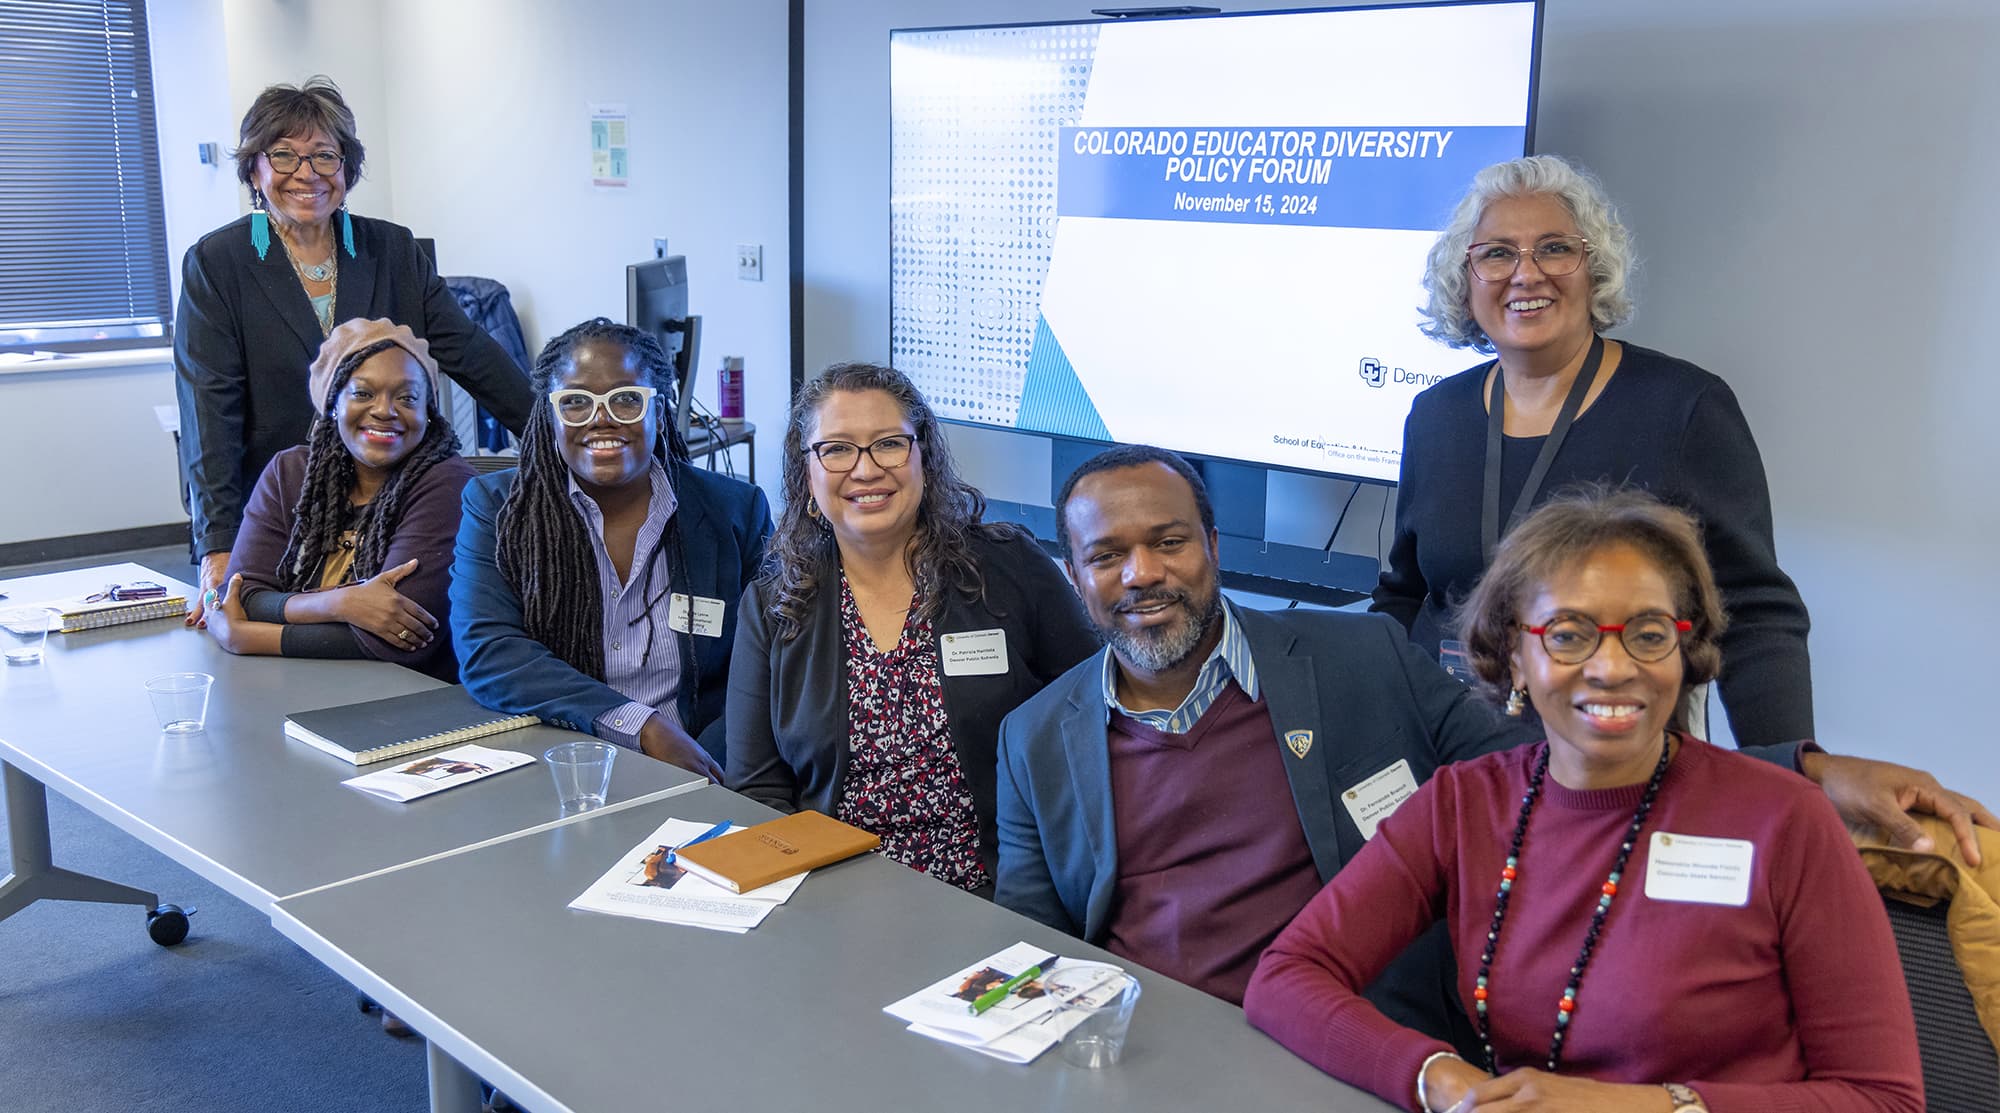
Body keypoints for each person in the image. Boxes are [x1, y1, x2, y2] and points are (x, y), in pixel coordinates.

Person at [995, 447, 1995, 1024]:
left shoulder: (1358, 661)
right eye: (1106, 555)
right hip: (1138, 1050)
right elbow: (1028, 947)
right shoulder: (1036, 737)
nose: (1141, 575)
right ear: (1072, 572)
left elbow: (1566, 768)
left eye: (1167, 541)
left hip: (1334, 1046)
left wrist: (1809, 772)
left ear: (1210, 547)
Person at [1247, 488, 1923, 1113]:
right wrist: (1442, 1078)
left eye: (1649, 632)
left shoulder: (1785, 819)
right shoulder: (1462, 805)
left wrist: (1645, 1107)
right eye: (1568, 633)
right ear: (1515, 656)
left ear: (1684, 650)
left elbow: (1884, 1097)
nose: (1612, 665)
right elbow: (1287, 976)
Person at [1374, 153, 1811, 751]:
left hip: (1613, 757)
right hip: (1445, 748)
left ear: (1593, 269)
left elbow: (1753, 612)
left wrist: (1788, 770)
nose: (1526, 274)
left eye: (1555, 248)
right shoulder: (1436, 416)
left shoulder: (1683, 408)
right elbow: (1404, 595)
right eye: (1497, 253)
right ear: (1465, 280)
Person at [726, 363, 1100, 894]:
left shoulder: (1008, 567)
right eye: (836, 449)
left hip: (1001, 890)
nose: (865, 469)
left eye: (888, 444)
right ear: (806, 475)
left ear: (924, 456)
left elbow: (1094, 716)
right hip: (835, 895)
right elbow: (756, 790)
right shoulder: (773, 606)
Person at [176, 77, 533, 625]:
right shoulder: (218, 263)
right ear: (254, 169)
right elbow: (209, 415)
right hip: (277, 516)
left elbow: (473, 354)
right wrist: (219, 547)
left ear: (347, 168)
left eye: (325, 155)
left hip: (389, 507)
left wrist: (562, 441)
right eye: (284, 155)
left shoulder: (390, 249)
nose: (307, 173)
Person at [450, 319, 770, 780]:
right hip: (561, 763)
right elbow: (489, 651)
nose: (602, 418)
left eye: (626, 399)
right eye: (576, 402)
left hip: (708, 765)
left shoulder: (734, 510)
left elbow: (765, 664)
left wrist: (710, 767)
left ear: (659, 412)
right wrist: (642, 727)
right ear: (551, 416)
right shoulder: (498, 511)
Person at [204, 319, 472, 680]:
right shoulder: (289, 472)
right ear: (332, 402)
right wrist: (342, 602)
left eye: (407, 398)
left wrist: (246, 635)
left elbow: (401, 640)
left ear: (428, 412)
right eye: (363, 393)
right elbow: (243, 595)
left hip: (406, 702)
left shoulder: (448, 484)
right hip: (290, 686)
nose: (384, 410)